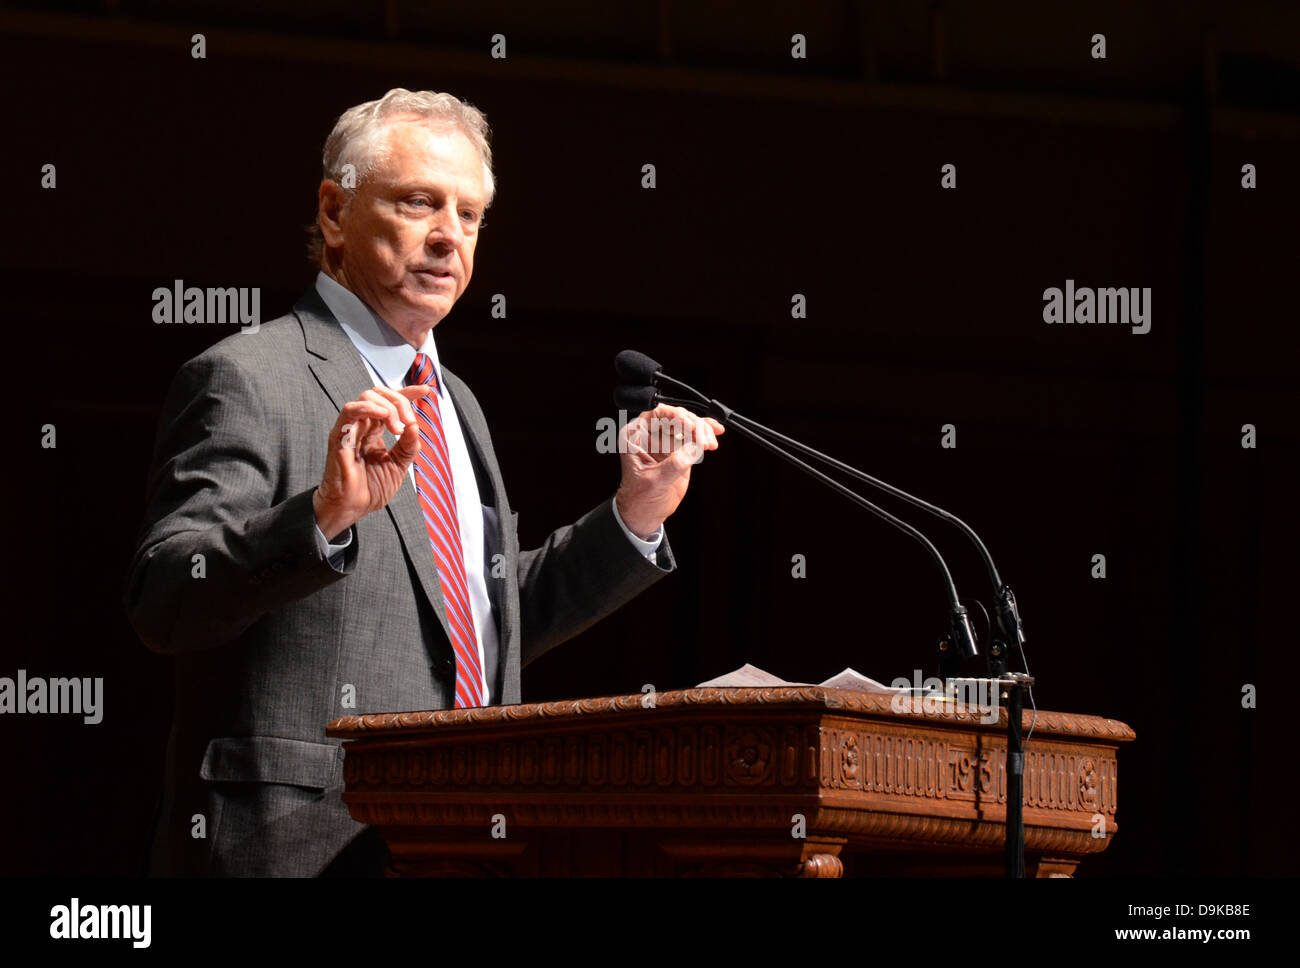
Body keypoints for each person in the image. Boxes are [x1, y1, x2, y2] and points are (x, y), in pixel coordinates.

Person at [124, 88, 723, 876]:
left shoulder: (457, 402)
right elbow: (165, 599)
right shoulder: (248, 377)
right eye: (419, 202)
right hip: (301, 849)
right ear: (335, 213)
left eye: (470, 215)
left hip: (464, 842)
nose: (450, 237)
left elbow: (484, 623)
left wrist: (635, 513)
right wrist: (325, 515)